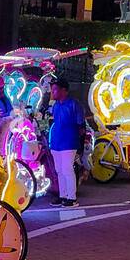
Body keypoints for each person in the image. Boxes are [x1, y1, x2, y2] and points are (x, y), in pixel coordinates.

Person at [48, 77, 86, 208]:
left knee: (67, 169)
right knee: (59, 170)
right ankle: (62, 195)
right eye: (52, 90)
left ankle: (72, 197)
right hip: (56, 142)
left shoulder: (74, 104)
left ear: (64, 91)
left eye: (55, 89)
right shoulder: (56, 105)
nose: (53, 92)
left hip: (69, 141)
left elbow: (81, 125)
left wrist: (80, 142)